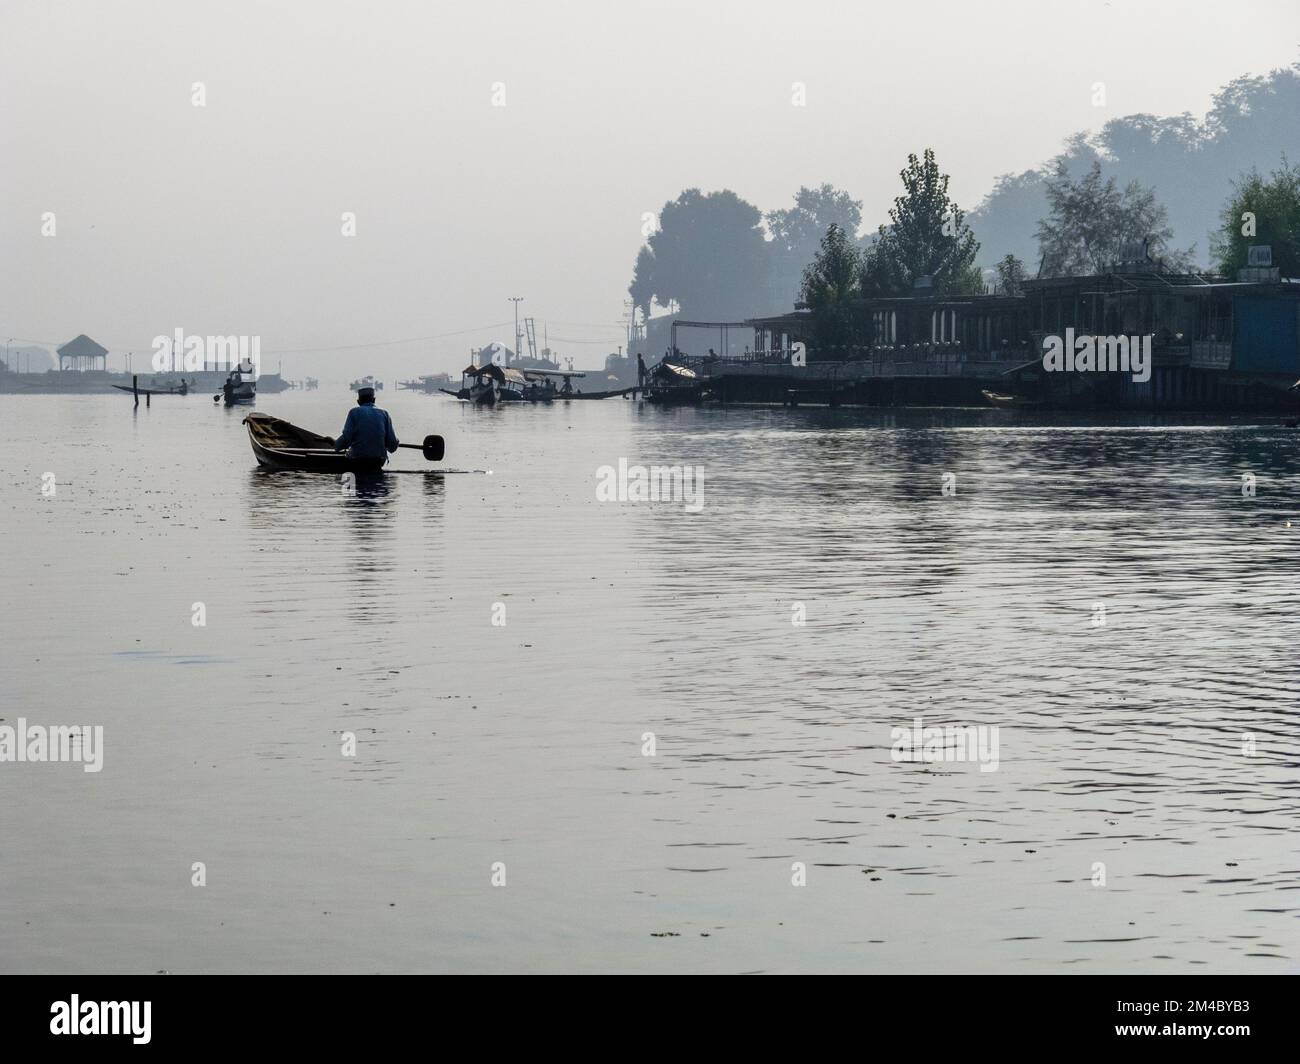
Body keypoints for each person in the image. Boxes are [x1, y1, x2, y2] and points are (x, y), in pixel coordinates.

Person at [332, 386, 399, 471]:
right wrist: (395, 444)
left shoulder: (354, 412)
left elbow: (346, 439)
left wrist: (336, 445)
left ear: (358, 402)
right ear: (374, 400)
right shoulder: (384, 413)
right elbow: (392, 444)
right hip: (378, 460)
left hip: (357, 459)